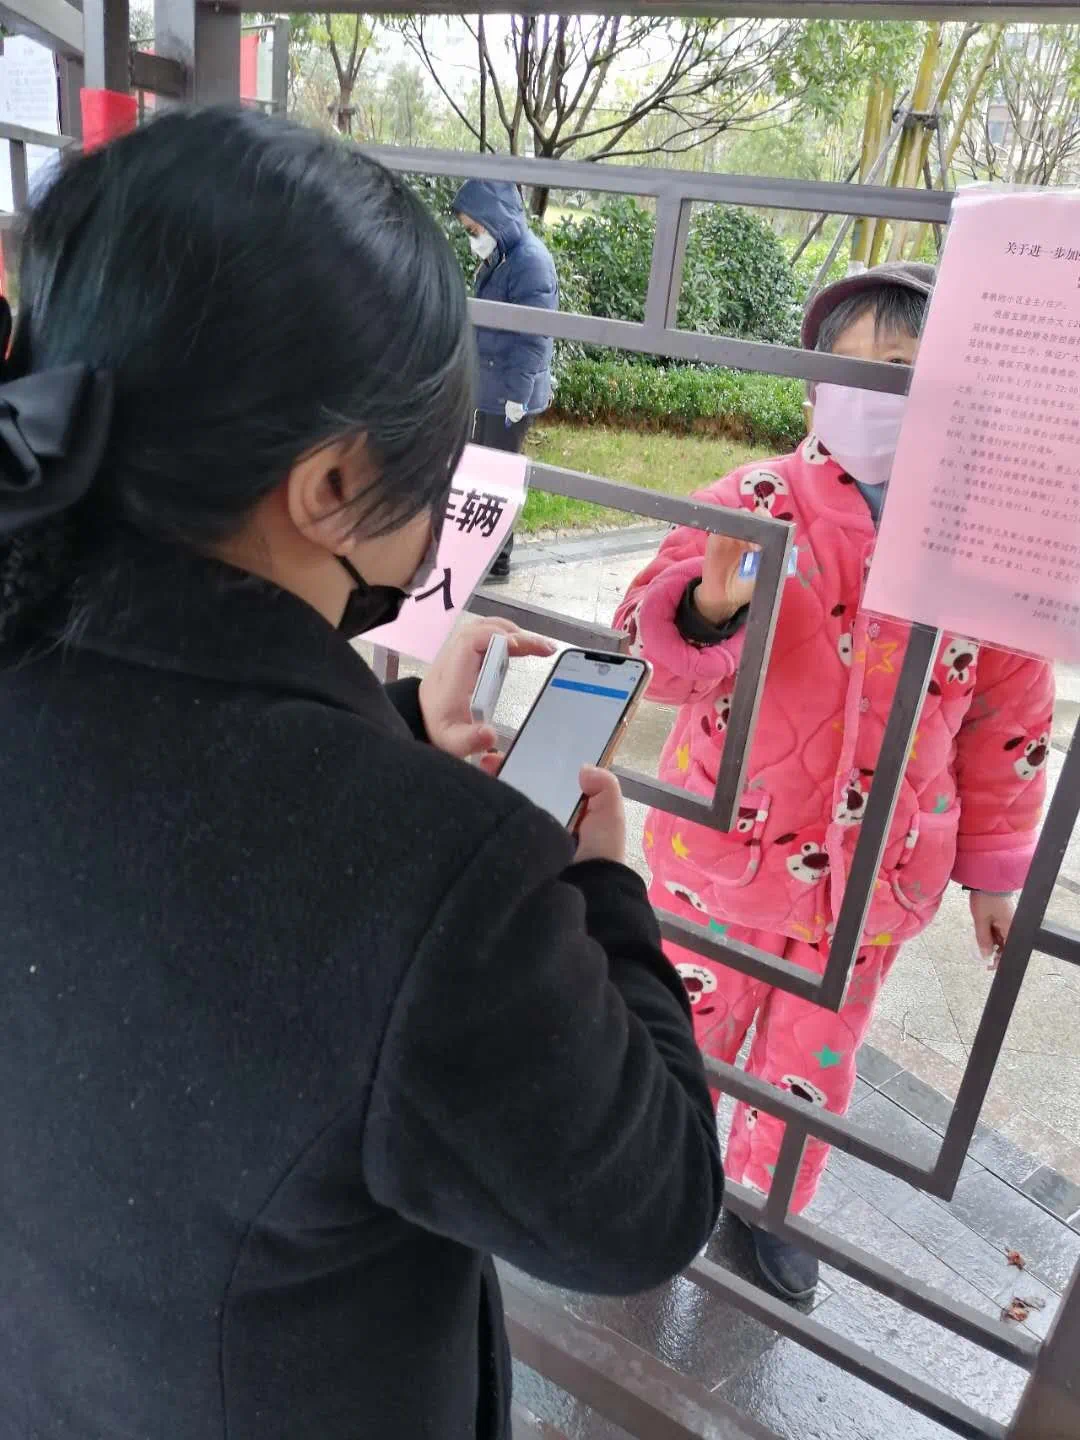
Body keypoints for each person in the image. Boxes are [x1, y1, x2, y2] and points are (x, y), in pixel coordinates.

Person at [0, 107, 722, 1440]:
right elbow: (646, 1206)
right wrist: (598, 888)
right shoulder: (436, 882)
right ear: (332, 482)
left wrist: (385, 740)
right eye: (433, 462)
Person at [615, 261, 1054, 1303]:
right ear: (813, 384)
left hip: (873, 882)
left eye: (899, 365)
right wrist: (706, 612)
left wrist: (997, 872)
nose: (870, 389)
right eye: (845, 367)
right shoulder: (752, 500)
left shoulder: (978, 541)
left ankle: (769, 1204)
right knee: (683, 1030)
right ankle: (651, 1178)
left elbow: (1010, 722)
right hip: (725, 857)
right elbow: (651, 651)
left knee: (810, 1059)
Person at [453, 178, 558, 581]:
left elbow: (534, 336)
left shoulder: (530, 262)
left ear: (493, 219)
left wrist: (517, 396)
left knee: (497, 474)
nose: (472, 238)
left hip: (511, 392)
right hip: (490, 386)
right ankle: (480, 550)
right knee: (482, 471)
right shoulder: (502, 256)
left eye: (473, 229)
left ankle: (496, 558)